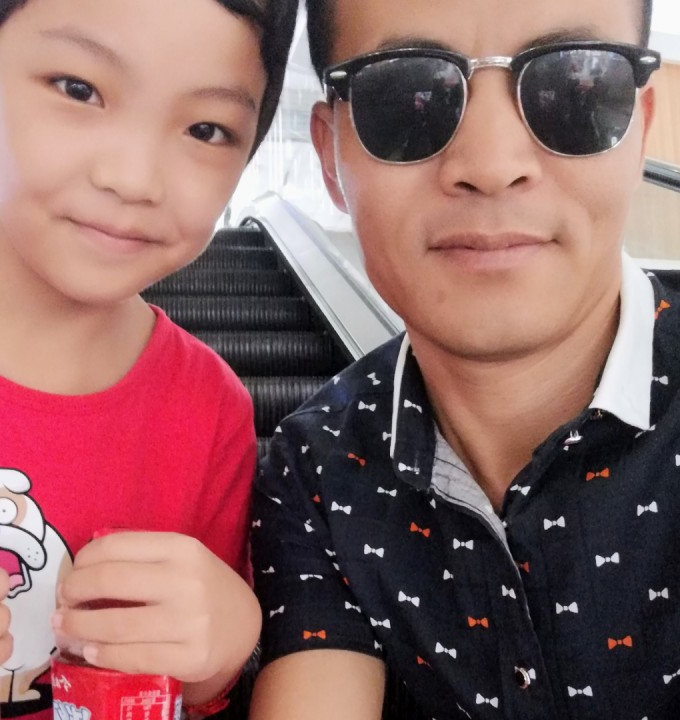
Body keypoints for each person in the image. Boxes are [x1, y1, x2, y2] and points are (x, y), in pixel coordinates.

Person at [249, 0, 679, 717]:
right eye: (406, 93)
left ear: (638, 130)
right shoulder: (315, 470)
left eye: (573, 85)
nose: (491, 166)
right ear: (329, 156)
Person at [0, 0, 297, 717]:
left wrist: (222, 651)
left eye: (206, 129)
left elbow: (185, 686)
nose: (134, 178)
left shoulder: (210, 410)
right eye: (78, 89)